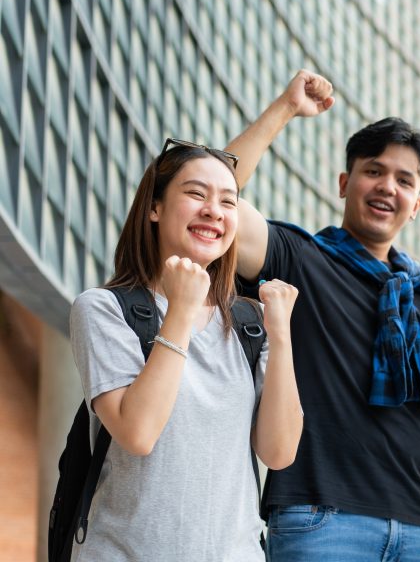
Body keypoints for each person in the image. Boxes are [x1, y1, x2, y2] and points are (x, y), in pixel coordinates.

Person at [225, 70, 420, 562]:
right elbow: (218, 201)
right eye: (374, 171)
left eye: (404, 181)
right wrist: (284, 108)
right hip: (318, 519)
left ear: (417, 205)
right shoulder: (302, 259)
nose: (387, 186)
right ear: (345, 183)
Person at [68, 138, 303, 561]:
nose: (214, 210)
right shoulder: (103, 308)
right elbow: (137, 433)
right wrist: (180, 309)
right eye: (196, 193)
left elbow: (279, 452)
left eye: (228, 201)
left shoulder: (252, 325)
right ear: (154, 207)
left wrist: (282, 336)